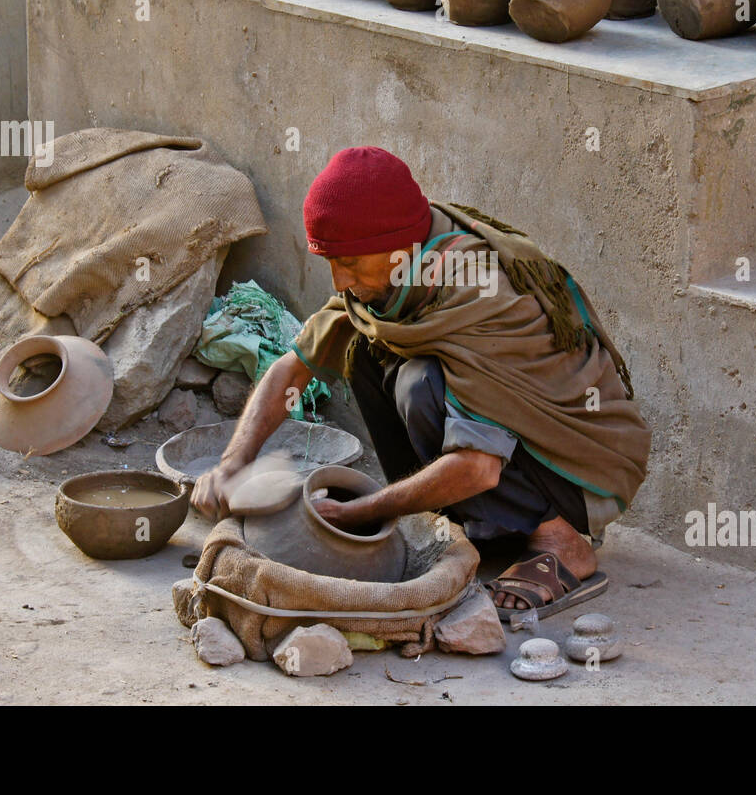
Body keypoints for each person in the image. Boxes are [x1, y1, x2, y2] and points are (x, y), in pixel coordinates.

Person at [192, 146, 652, 620]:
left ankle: (558, 538)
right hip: (502, 457)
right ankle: (459, 519)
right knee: (365, 352)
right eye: (330, 261)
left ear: (399, 246)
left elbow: (477, 468)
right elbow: (295, 365)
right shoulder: (397, 270)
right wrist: (233, 463)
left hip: (575, 470)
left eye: (349, 262)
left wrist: (365, 512)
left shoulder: (480, 292)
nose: (338, 280)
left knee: (419, 385)